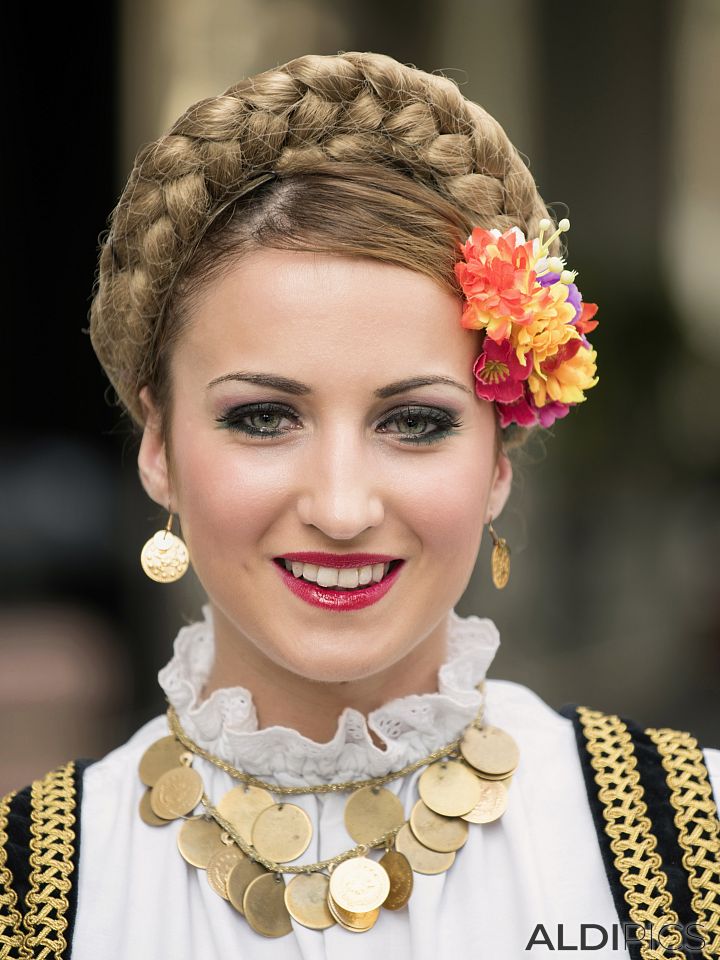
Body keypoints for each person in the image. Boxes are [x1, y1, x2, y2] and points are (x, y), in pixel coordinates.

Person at [1, 51, 718, 960]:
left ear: (499, 459)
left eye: (414, 421)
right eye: (263, 417)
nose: (341, 508)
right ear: (159, 448)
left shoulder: (686, 849)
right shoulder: (33, 896)